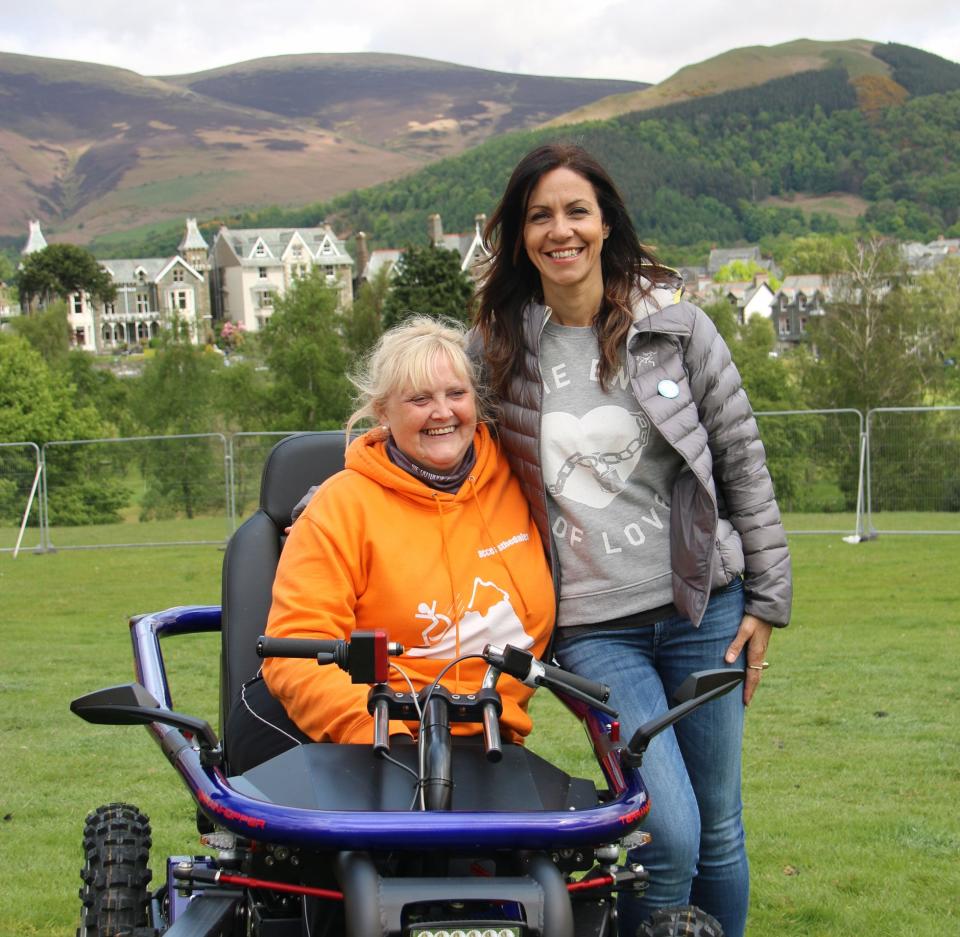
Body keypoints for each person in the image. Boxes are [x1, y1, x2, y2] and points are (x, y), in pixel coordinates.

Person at [472, 144, 792, 937]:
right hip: (592, 625)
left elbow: (740, 455)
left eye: (576, 210)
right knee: (668, 827)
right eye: (539, 216)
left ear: (606, 221)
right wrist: (336, 488)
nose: (560, 230)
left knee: (718, 825)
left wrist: (766, 599)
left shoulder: (677, 328)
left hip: (703, 608)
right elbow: (431, 429)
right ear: (518, 237)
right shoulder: (497, 347)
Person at [228, 317, 554, 770]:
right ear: (383, 413)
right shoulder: (341, 507)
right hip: (358, 726)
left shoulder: (521, 478)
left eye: (456, 394)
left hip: (482, 734)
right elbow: (296, 653)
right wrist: (385, 738)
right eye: (419, 399)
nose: (442, 412)